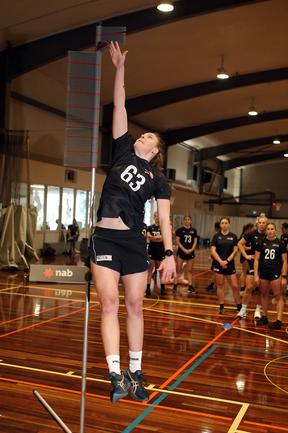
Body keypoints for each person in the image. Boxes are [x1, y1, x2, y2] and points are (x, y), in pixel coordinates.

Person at [89, 41, 175, 404]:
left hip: (135, 243)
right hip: (105, 240)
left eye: (149, 138)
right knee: (109, 304)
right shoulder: (122, 149)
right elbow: (120, 104)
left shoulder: (159, 181)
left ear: (155, 152)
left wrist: (169, 254)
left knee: (135, 306)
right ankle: (114, 373)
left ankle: (136, 372)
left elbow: (164, 218)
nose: (143, 136)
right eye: (142, 133)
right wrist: (120, 68)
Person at [254, 222, 287, 329]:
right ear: (266, 231)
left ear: (275, 230)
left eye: (272, 229)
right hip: (263, 272)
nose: (270, 231)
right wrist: (255, 275)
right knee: (263, 294)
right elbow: (256, 259)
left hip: (275, 273)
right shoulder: (261, 242)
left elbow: (285, 261)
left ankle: (278, 321)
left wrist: (284, 276)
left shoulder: (280, 243)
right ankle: (264, 317)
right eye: (268, 229)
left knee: (278, 296)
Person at [237, 214, 267, 319]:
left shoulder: (268, 234)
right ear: (257, 223)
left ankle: (258, 310)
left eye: (264, 223)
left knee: (261, 289)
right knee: (249, 287)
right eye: (260, 222)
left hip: (265, 265)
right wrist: (246, 255)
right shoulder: (251, 233)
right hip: (253, 263)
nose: (262, 224)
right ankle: (243, 309)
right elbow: (239, 244)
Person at [210, 217, 241, 314]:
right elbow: (213, 251)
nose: (224, 224)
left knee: (235, 286)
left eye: (226, 223)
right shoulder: (216, 237)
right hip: (218, 264)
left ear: (229, 224)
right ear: (220, 225)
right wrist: (220, 261)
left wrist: (227, 261)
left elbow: (235, 251)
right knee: (220, 285)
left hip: (229, 265)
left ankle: (239, 307)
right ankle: (221, 306)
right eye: (222, 223)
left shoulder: (234, 236)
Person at [173, 215, 198, 294]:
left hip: (190, 252)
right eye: (185, 219)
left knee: (190, 270)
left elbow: (195, 241)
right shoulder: (180, 230)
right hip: (181, 252)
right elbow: (177, 241)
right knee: (178, 270)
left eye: (188, 219)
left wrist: (191, 249)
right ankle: (175, 285)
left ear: (191, 221)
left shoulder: (194, 230)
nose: (187, 221)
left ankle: (190, 286)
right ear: (183, 221)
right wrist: (184, 249)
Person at [146, 212, 167, 296]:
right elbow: (148, 236)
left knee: (161, 270)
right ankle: (147, 289)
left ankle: (163, 289)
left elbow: (162, 239)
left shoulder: (163, 228)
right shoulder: (150, 227)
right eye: (155, 216)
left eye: (158, 216)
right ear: (154, 217)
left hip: (160, 251)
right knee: (150, 270)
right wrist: (157, 238)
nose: (157, 217)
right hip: (151, 251)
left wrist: (153, 238)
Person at [238, 223, 254, 292]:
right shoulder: (244, 235)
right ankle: (242, 288)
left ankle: (249, 287)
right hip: (245, 256)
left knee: (249, 272)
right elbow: (241, 246)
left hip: (250, 256)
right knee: (244, 272)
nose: (254, 229)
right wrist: (250, 248)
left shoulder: (250, 235)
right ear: (249, 229)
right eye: (253, 228)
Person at [205, 221, 220, 292]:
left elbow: (214, 248)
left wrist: (211, 256)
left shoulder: (218, 236)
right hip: (216, 257)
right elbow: (213, 248)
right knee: (216, 272)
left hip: (218, 258)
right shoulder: (216, 236)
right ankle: (214, 286)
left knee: (217, 273)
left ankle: (214, 286)